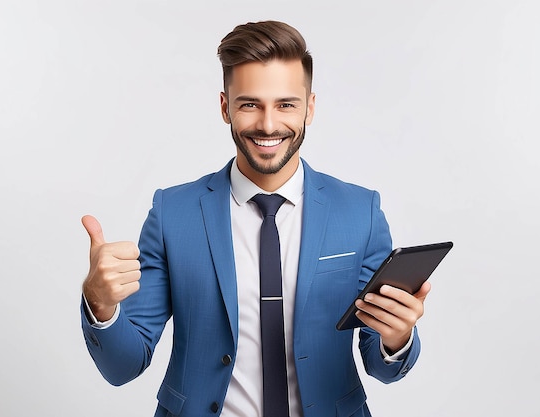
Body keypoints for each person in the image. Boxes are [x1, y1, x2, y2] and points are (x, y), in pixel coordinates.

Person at [80, 20, 430, 417]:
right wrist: (101, 305)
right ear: (226, 106)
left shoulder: (360, 212)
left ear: (309, 108)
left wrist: (397, 335)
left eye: (285, 104)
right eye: (250, 104)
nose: (268, 124)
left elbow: (380, 365)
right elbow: (124, 365)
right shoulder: (172, 213)